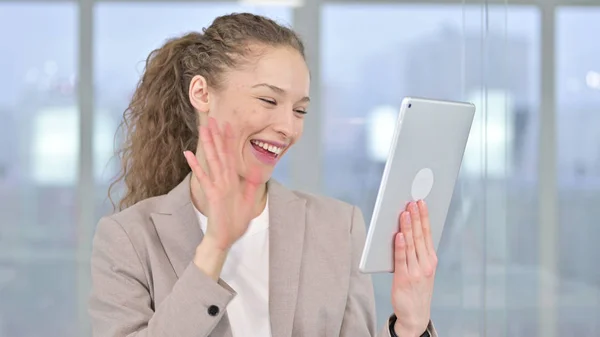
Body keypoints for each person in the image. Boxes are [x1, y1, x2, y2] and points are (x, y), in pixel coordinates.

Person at [88, 13, 438, 337]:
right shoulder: (129, 238)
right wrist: (215, 247)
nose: (287, 127)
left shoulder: (337, 228)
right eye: (269, 101)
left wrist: (410, 324)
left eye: (300, 110)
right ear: (202, 93)